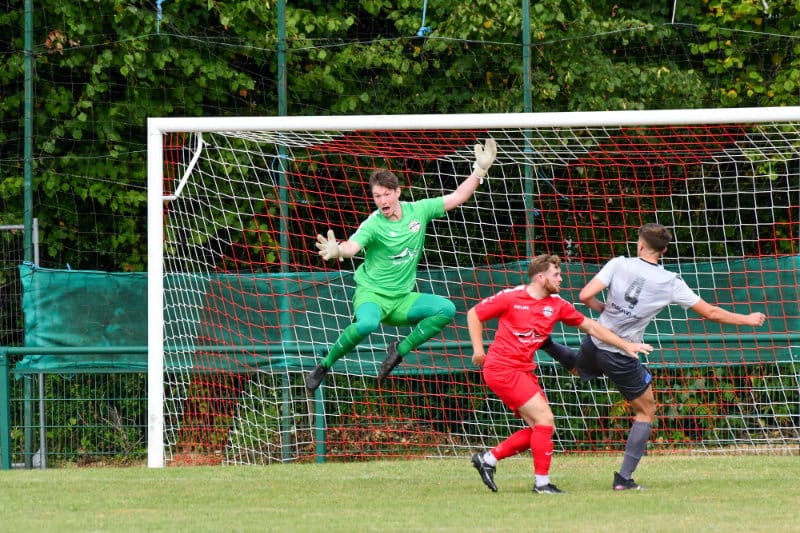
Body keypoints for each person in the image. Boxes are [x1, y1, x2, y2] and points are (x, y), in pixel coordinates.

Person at [540, 222, 767, 491]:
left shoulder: (618, 263)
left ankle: (545, 342)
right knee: (646, 411)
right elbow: (710, 313)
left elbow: (585, 295)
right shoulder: (670, 282)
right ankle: (624, 479)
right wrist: (746, 319)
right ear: (664, 250)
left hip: (596, 339)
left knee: (578, 368)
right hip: (622, 352)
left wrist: (603, 309)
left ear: (640, 245)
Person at [304, 138, 498, 391]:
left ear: (397, 192)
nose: (382, 200)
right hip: (372, 295)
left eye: (386, 194)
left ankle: (399, 350)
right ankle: (324, 365)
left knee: (446, 309)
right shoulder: (374, 224)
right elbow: (353, 246)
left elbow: (458, 196)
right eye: (377, 196)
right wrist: (338, 249)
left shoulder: (419, 211)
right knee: (367, 324)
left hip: (401, 299)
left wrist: (479, 171)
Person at [467, 254, 653, 495]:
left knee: (541, 428)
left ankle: (488, 459)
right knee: (545, 420)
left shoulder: (556, 304)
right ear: (540, 277)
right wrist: (478, 351)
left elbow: (592, 326)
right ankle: (541, 484)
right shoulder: (512, 297)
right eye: (556, 274)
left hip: (523, 370)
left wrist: (625, 345)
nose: (561, 278)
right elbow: (474, 314)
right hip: (502, 368)